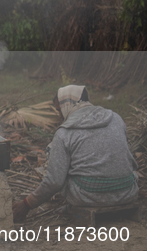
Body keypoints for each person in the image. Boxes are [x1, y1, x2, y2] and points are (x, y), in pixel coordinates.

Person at [12, 85, 139, 223]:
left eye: (59, 110)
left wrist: (26, 204)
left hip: (88, 197)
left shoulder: (64, 133)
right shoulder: (117, 119)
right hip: (127, 193)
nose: (60, 115)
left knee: (57, 162)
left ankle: (74, 206)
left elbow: (54, 182)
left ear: (67, 105)